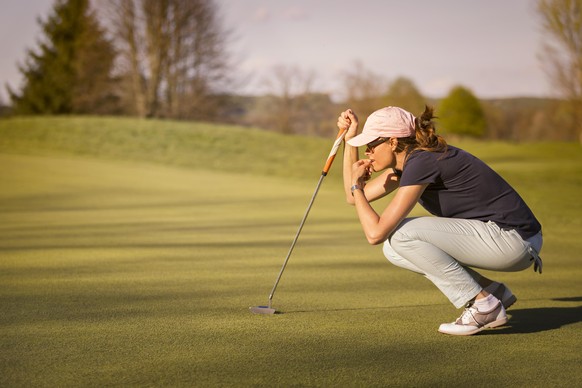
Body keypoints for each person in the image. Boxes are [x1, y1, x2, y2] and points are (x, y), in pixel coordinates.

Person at [337, 106, 543, 336]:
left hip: (513, 240)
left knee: (401, 235)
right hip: (506, 239)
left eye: (372, 145)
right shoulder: (410, 163)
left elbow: (375, 233)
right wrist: (349, 140)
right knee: (393, 249)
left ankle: (484, 306)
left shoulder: (422, 161)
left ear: (393, 142)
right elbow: (352, 196)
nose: (368, 151)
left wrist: (358, 185)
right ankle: (491, 290)